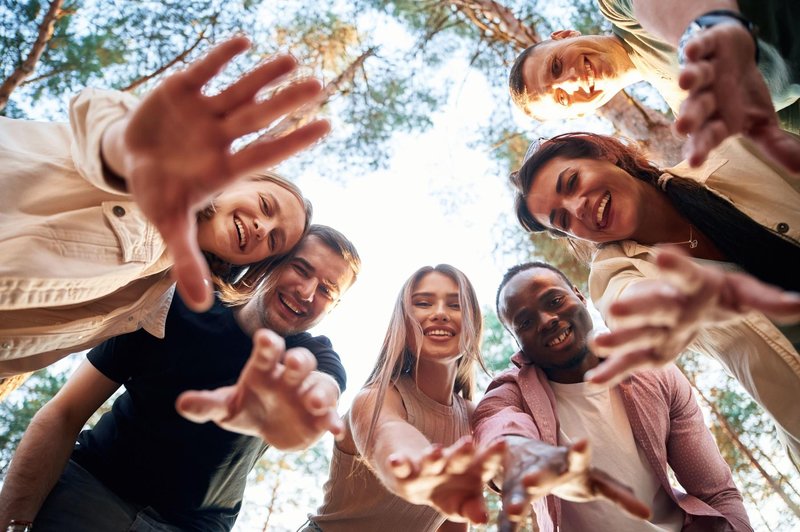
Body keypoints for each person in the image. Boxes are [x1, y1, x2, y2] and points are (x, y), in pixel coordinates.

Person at [0, 34, 330, 377]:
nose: (263, 227)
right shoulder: (152, 173)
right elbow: (100, 119)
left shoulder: (149, 305)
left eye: (274, 240)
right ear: (234, 180)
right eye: (264, 205)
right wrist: (135, 148)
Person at [0, 224, 361, 530]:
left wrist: (313, 400)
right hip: (90, 491)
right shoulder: (175, 305)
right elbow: (64, 413)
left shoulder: (316, 356)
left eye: (328, 289)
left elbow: (326, 384)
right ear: (272, 263)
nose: (308, 291)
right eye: (301, 269)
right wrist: (12, 521)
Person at [509, 131, 800, 467]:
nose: (579, 208)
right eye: (563, 220)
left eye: (572, 182)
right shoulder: (613, 276)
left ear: (604, 154)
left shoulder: (737, 155)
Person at [472, 262, 751, 532]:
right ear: (516, 340)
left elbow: (716, 493)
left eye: (554, 301)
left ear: (579, 296)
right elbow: (496, 425)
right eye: (525, 321)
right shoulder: (511, 392)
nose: (546, 321)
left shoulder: (652, 371)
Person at [305, 265, 505, 532]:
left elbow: (453, 518)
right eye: (423, 303)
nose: (440, 314)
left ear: (473, 324)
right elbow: (389, 435)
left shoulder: (473, 419)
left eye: (455, 305)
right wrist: (418, 467)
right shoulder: (375, 398)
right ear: (403, 321)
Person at [508, 0, 799, 171]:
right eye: (562, 98)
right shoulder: (689, 111)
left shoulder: (619, 10)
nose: (570, 81)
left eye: (555, 66)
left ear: (564, 35)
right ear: (581, 113)